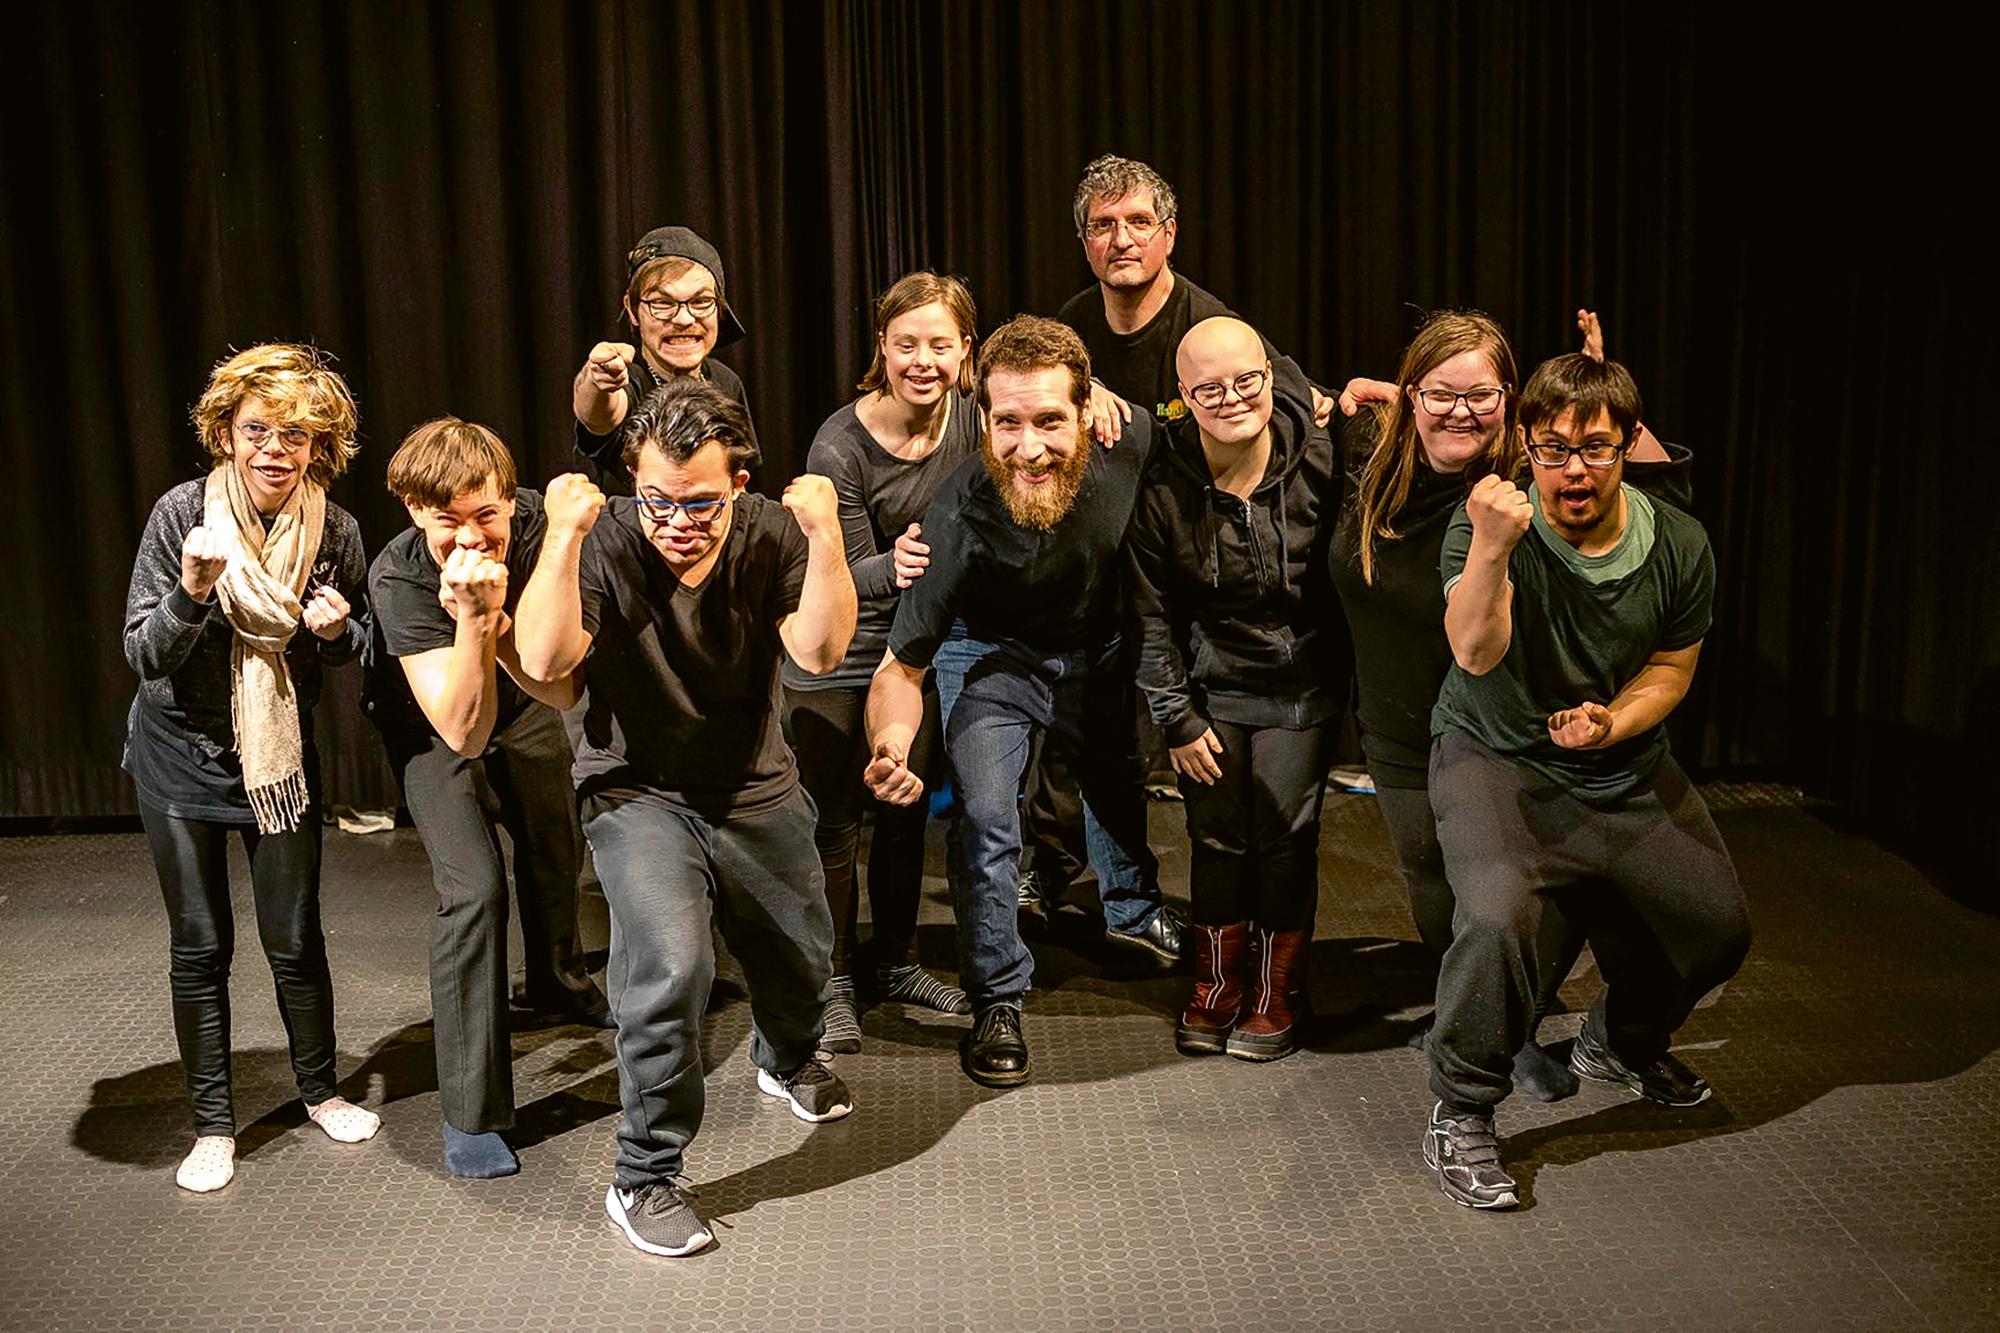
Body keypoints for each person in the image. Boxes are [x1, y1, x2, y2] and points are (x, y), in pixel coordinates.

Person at [513, 377, 857, 1258]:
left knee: (802, 954)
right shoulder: (604, 538)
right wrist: (560, 535)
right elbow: (547, 660)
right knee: (670, 963)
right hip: (637, 790)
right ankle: (644, 1176)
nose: (677, 520)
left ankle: (785, 1056)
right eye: (658, 498)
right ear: (633, 478)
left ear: (739, 483)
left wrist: (825, 535)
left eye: (701, 502)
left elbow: (818, 650)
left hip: (753, 785)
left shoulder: (775, 533)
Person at [1332, 311, 1692, 1102]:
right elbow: (1276, 402)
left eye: (1483, 395)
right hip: (1393, 717)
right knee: (1430, 872)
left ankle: (1511, 1024)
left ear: (1513, 400)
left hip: (1497, 722)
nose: (1462, 412)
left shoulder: (1521, 480)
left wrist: (1610, 415)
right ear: (1410, 391)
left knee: (1511, 885)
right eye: (1440, 394)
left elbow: (1665, 494)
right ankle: (1484, 1013)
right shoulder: (1365, 453)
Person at [1421, 352, 1751, 1210]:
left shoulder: (1677, 542)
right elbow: (1475, 651)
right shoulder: (1487, 524)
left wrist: (1613, 721)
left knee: (1716, 929)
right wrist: (1494, 541)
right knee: (1495, 921)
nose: (1575, 469)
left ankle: (1617, 1041)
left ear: (1629, 444)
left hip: (1624, 768)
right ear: (1524, 445)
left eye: (1598, 448)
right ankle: (1461, 1108)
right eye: (1554, 448)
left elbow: (1672, 668)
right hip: (1498, 759)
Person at [863, 315, 1179, 1088]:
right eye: (1008, 422)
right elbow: (901, 666)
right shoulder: (959, 510)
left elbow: (1218, 412)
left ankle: (1130, 907)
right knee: (988, 820)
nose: (1029, 447)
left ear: (1086, 410)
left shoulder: (1130, 440)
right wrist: (891, 746)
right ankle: (997, 997)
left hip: (1097, 648)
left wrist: (1331, 401)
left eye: (1049, 420)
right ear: (983, 418)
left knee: (1115, 779)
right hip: (992, 655)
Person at [121, 343, 381, 1193]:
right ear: (226, 434)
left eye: (296, 435)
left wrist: (340, 634)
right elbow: (144, 655)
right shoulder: (183, 516)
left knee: (295, 938)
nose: (276, 448)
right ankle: (213, 1124)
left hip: (279, 763)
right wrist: (191, 592)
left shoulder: (333, 528)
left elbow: (350, 650)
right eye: (258, 429)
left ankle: (318, 1090)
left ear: (319, 446)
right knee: (200, 945)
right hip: (179, 756)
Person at [363, 417, 614, 1180]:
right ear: (412, 509)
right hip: (433, 713)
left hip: (519, 695)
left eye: (487, 516)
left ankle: (558, 980)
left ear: (512, 501)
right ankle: (472, 1113)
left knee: (552, 839)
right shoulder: (398, 576)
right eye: (449, 523)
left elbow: (560, 664)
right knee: (473, 890)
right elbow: (462, 731)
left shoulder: (537, 525)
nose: (473, 538)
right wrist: (474, 616)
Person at [1126, 317, 1342, 1062]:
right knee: (1217, 839)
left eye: (1246, 380)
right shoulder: (1163, 485)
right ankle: (1217, 983)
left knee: (1284, 838)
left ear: (1272, 375)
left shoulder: (1322, 454)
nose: (1231, 398)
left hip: (1300, 688)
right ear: (1182, 397)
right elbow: (1147, 615)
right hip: (1210, 692)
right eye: (1208, 388)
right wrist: (1176, 719)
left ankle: (1278, 991)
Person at [781, 272, 984, 1052]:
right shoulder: (840, 443)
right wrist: (897, 563)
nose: (923, 359)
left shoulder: (972, 420)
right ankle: (833, 979)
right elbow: (839, 575)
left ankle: (895, 959)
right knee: (834, 827)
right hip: (835, 647)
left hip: (913, 647)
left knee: (903, 812)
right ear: (882, 349)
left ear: (966, 349)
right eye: (906, 344)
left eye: (940, 343)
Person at [570, 225, 757, 496]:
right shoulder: (625, 383)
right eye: (662, 303)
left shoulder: (726, 381)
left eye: (701, 301)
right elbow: (597, 414)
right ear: (633, 311)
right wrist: (597, 378)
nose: (684, 319)